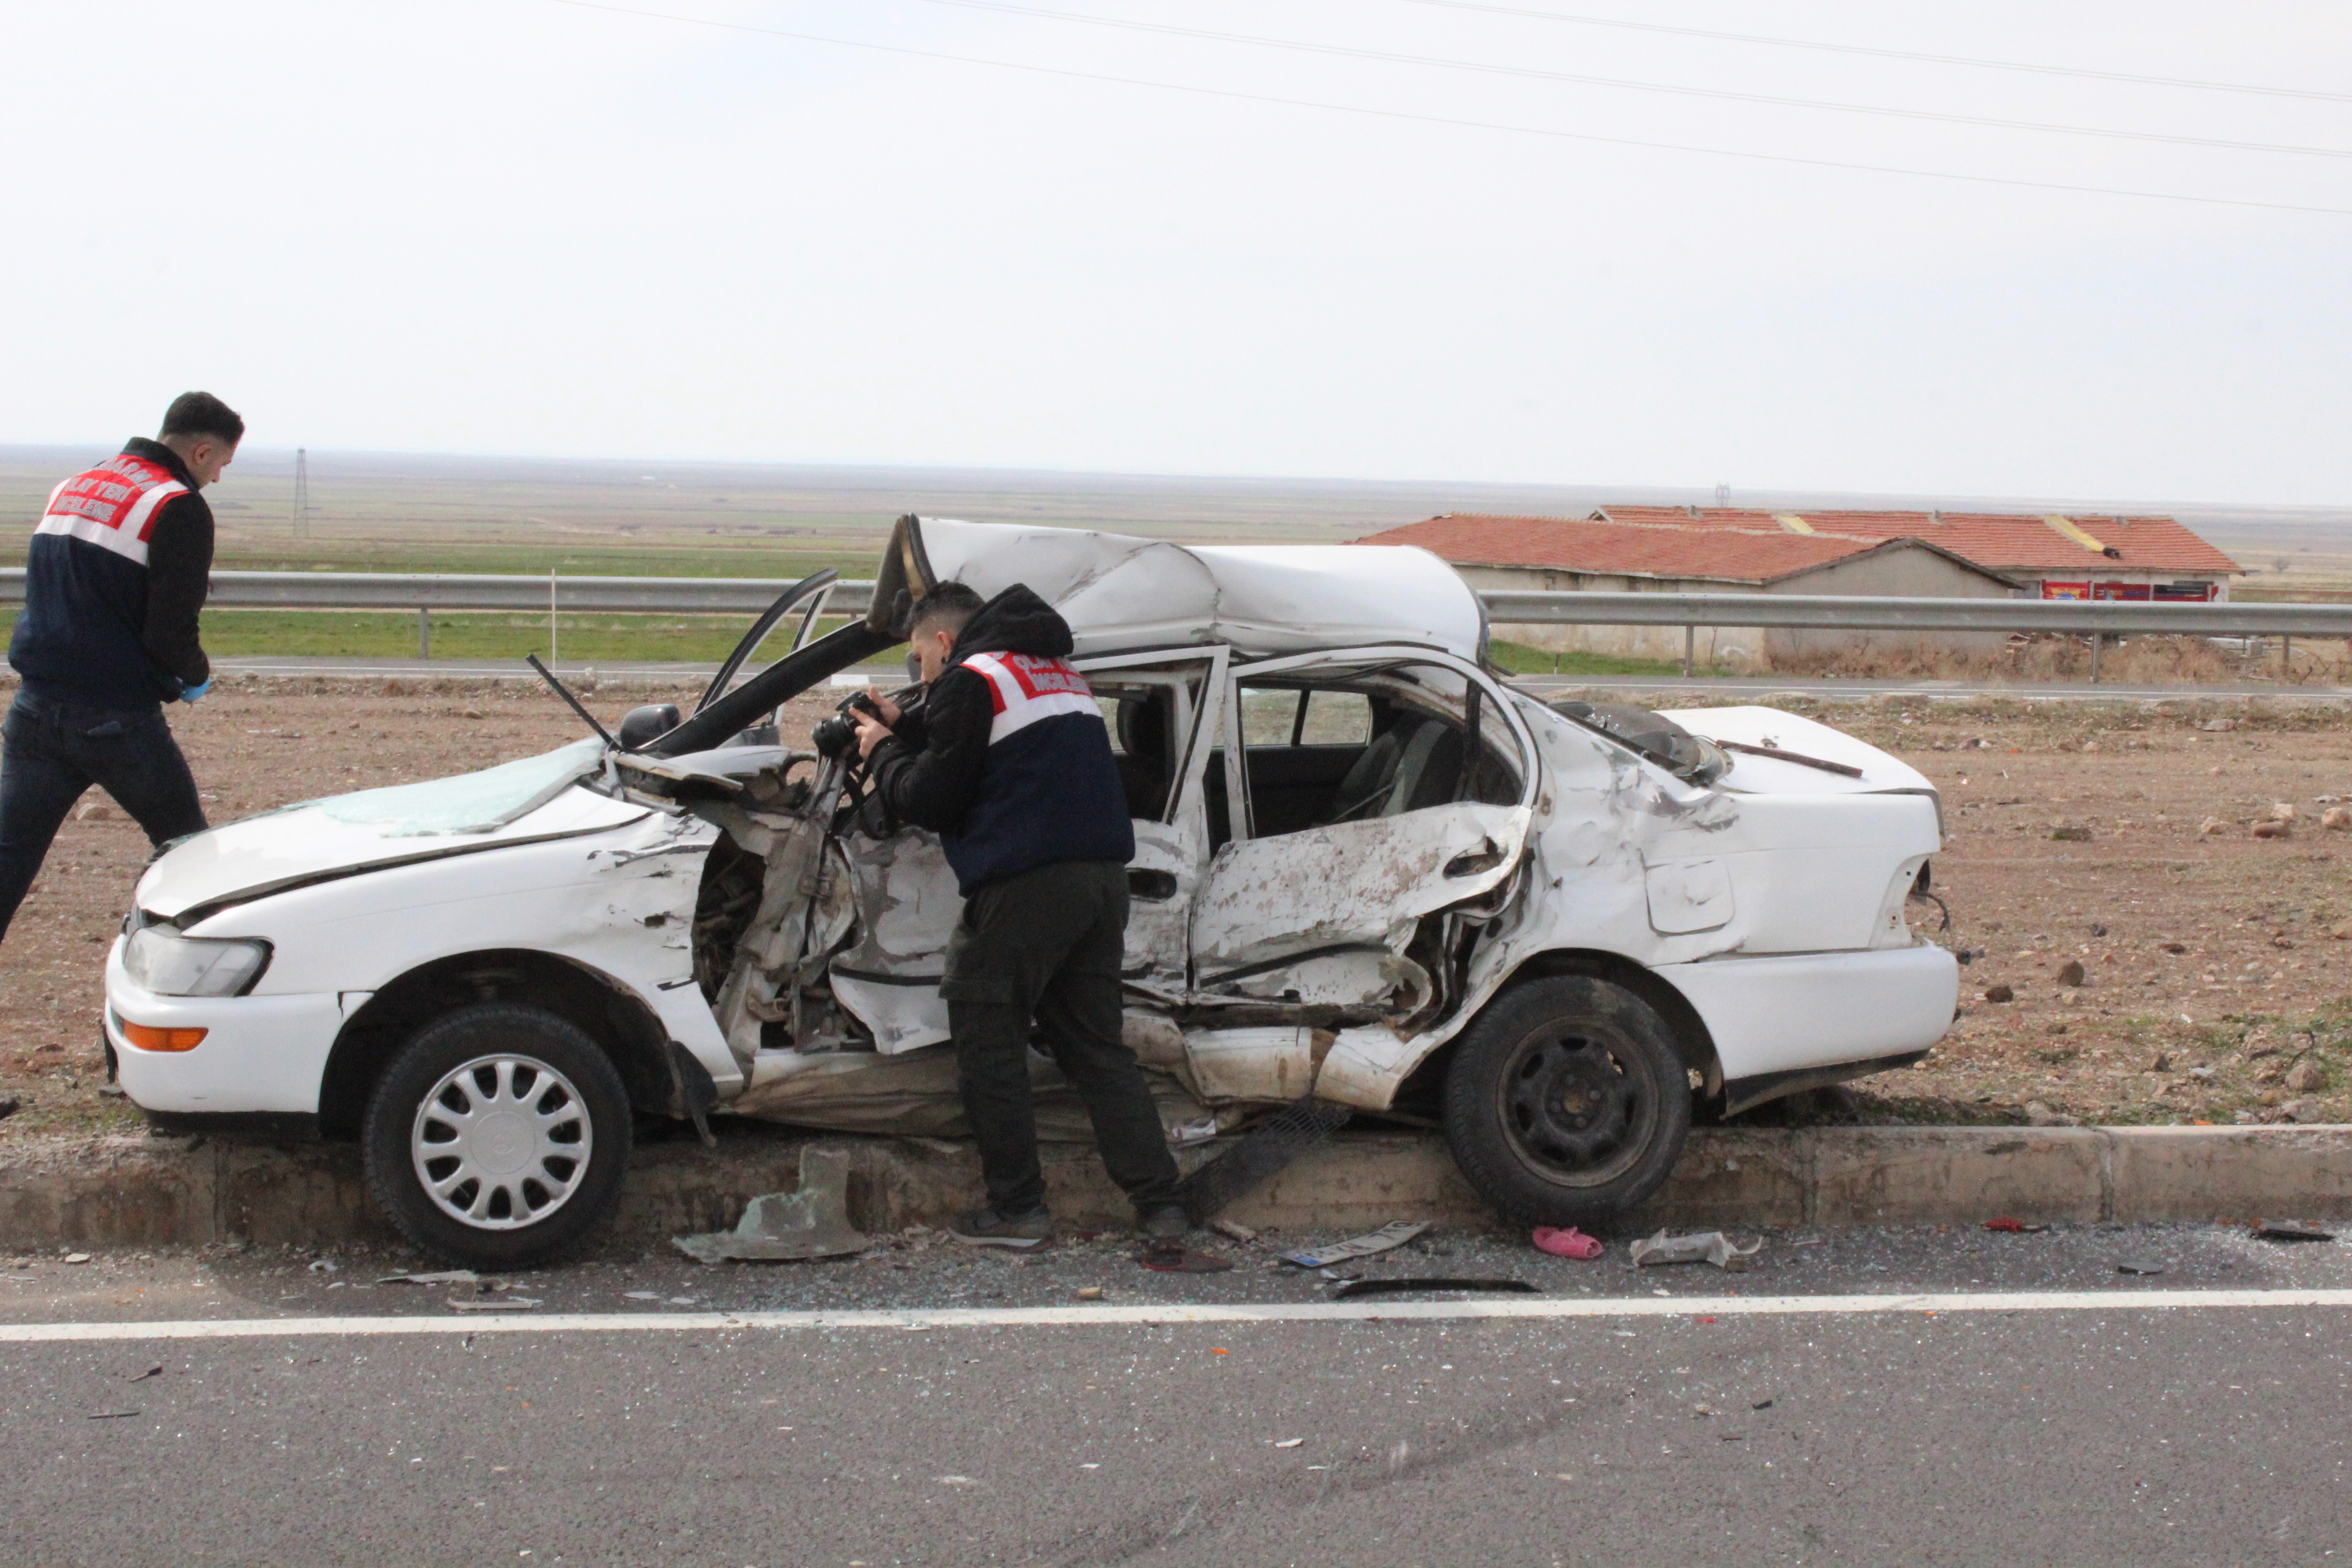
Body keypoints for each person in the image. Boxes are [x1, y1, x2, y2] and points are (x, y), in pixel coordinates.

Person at [854, 580, 1187, 1248]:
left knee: (988, 1043)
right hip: (1100, 884)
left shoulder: (970, 677)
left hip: (1027, 890)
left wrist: (880, 753)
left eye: (919, 661)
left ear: (944, 642)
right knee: (1097, 1051)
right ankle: (1162, 1205)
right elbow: (993, 740)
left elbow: (932, 797)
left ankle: (1018, 1210)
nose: (920, 674)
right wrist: (907, 721)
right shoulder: (1053, 670)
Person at [0, 392, 240, 945]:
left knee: (10, 858)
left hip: (34, 709)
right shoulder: (176, 505)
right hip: (114, 719)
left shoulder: (77, 485)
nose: (218, 480)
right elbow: (170, 632)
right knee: (190, 853)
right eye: (222, 465)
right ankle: (204, 979)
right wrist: (193, 677)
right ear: (202, 451)